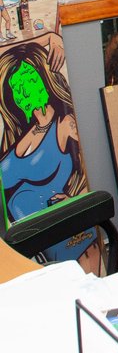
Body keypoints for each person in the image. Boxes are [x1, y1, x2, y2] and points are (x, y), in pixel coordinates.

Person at [0, 34, 101, 273]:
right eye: (17, 87)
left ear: (44, 80)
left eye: (30, 81)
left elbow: (81, 170)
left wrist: (74, 199)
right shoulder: (15, 137)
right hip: (29, 248)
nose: (24, 91)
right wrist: (48, 37)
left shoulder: (64, 124)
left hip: (70, 237)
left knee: (87, 300)